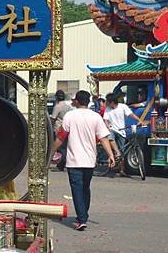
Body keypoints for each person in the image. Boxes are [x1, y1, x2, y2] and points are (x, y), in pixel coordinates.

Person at [52, 90, 115, 231]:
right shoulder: (96, 117)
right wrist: (110, 154)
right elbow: (104, 137)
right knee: (85, 188)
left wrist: (51, 152)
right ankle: (83, 215)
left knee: (77, 189)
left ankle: (81, 219)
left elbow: (61, 137)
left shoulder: (70, 116)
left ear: (77, 101)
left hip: (74, 160)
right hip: (90, 160)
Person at [104, 92, 144, 175]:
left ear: (112, 102)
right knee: (110, 137)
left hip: (121, 131)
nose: (106, 103)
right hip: (113, 129)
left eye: (107, 101)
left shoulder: (123, 107)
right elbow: (105, 120)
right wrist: (107, 126)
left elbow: (131, 115)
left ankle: (122, 170)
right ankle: (116, 152)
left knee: (123, 151)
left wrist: (139, 120)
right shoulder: (108, 109)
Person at [50, 90, 73, 171]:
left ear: (56, 97)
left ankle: (61, 165)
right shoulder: (68, 106)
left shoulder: (57, 106)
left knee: (60, 148)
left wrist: (49, 126)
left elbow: (53, 118)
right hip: (67, 128)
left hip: (58, 128)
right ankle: (65, 163)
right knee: (65, 147)